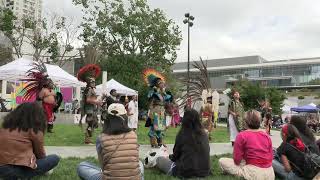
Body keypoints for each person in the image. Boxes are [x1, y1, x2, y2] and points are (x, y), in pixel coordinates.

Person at [77, 103, 143, 180]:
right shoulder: (133, 135)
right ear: (125, 117)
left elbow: (102, 165)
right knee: (140, 164)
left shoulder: (101, 138)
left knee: (82, 166)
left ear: (107, 118)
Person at [0, 102, 60, 179]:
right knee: (54, 158)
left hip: (1, 168)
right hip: (18, 170)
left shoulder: (4, 128)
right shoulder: (35, 131)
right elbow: (41, 155)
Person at [155, 108, 211, 178]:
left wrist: (168, 156)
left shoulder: (183, 134)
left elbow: (176, 155)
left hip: (185, 171)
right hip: (205, 171)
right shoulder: (204, 134)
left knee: (159, 159)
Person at [219, 110, 274, 180]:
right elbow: (271, 157)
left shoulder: (241, 135)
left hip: (253, 173)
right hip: (270, 173)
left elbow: (236, 160)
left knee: (222, 161)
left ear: (246, 122)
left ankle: (243, 172)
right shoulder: (266, 136)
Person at [22, 62, 63, 133]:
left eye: (52, 83)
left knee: (51, 117)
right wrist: (40, 106)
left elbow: (55, 98)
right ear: (47, 84)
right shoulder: (43, 90)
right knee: (46, 117)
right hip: (45, 106)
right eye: (50, 83)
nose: (52, 84)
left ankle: (49, 129)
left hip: (51, 106)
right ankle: (41, 128)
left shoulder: (53, 91)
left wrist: (56, 103)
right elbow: (39, 98)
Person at [143, 68, 173, 148]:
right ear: (157, 84)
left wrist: (164, 93)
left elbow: (168, 99)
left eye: (162, 83)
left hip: (161, 110)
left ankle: (160, 142)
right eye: (160, 83)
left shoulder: (165, 92)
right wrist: (155, 92)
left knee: (160, 127)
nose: (162, 84)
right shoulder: (154, 92)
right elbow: (149, 98)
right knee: (155, 126)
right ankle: (153, 140)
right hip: (155, 110)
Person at [77, 64, 102, 144]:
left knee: (93, 123)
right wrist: (96, 102)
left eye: (94, 81)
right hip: (89, 109)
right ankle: (87, 140)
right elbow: (88, 100)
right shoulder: (89, 89)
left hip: (92, 108)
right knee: (91, 123)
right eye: (93, 82)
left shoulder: (91, 89)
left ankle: (88, 139)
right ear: (89, 83)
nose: (94, 83)